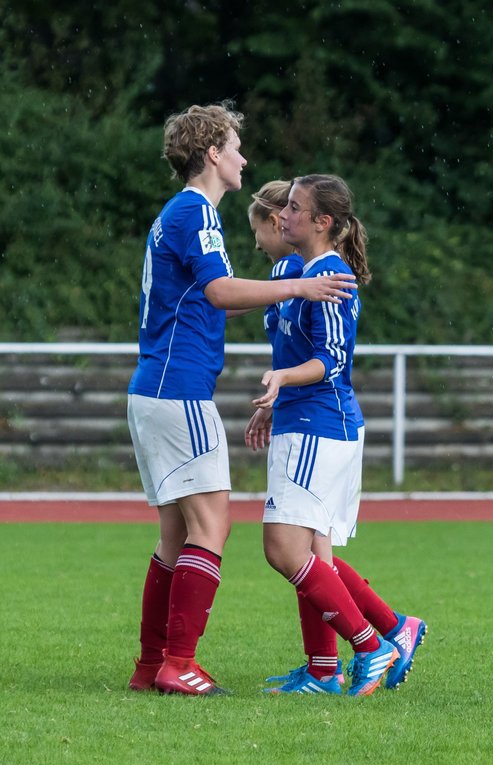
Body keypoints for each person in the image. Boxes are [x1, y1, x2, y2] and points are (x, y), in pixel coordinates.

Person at [126, 105, 358, 696]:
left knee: (175, 537)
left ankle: (153, 664)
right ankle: (178, 662)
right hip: (178, 389)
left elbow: (216, 297)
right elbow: (221, 290)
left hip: (157, 388)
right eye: (233, 146)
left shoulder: (178, 213)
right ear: (211, 154)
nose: (243, 158)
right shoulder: (196, 211)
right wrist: (299, 283)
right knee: (213, 526)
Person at [243, 174, 427, 696]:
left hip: (320, 426)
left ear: (322, 222)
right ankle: (331, 667)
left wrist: (281, 381)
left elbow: (331, 360)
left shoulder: (331, 276)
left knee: (284, 550)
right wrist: (277, 398)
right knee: (313, 559)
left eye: (295, 208)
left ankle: (373, 644)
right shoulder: (292, 270)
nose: (283, 216)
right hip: (302, 420)